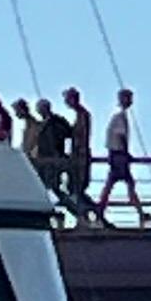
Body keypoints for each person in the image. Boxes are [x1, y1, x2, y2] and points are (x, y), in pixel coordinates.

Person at [101, 87, 143, 224]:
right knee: (126, 183)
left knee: (114, 184)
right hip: (119, 155)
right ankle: (140, 213)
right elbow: (121, 135)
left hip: (115, 154)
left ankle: (100, 211)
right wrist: (126, 153)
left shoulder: (119, 116)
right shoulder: (120, 117)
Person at [59, 87, 97, 216]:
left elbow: (83, 136)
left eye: (67, 99)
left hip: (80, 156)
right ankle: (89, 214)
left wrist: (78, 152)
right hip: (77, 155)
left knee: (77, 188)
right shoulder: (80, 115)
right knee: (73, 188)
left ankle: (91, 214)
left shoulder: (83, 115)